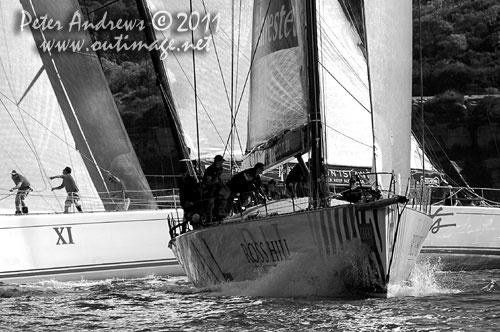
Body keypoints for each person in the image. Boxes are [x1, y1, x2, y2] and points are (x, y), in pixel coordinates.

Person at [202, 155, 226, 223]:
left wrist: (224, 186)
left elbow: (220, 178)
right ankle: (208, 219)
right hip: (209, 189)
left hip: (216, 188)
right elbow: (207, 181)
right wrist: (214, 182)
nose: (222, 163)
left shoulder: (220, 169)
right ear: (217, 161)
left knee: (222, 198)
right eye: (221, 161)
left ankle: (219, 213)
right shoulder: (210, 169)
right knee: (210, 204)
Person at [178, 161, 202, 229]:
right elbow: (181, 193)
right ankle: (184, 229)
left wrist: (191, 201)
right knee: (185, 215)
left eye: (184, 173)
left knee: (193, 214)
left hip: (192, 202)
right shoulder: (180, 181)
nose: (183, 175)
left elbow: (194, 191)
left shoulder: (191, 180)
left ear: (186, 172)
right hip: (185, 202)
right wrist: (183, 203)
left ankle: (195, 226)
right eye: (182, 173)